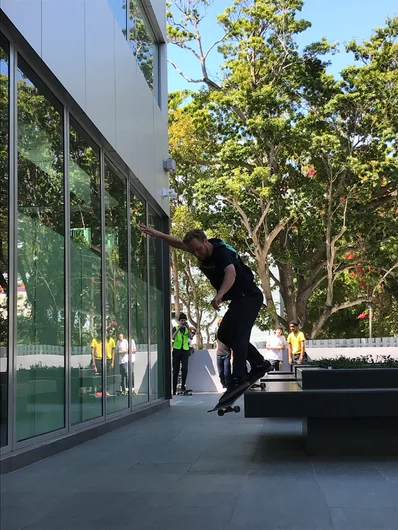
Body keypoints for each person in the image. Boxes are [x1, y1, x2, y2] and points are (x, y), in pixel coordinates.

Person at [139, 226, 270, 402]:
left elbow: (230, 273)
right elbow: (178, 243)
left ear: (206, 241)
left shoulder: (220, 252)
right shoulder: (198, 248)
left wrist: (220, 294)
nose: (197, 254)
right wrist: (159, 234)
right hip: (240, 299)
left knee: (239, 335)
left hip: (249, 297)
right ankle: (259, 364)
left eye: (199, 249)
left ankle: (239, 377)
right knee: (224, 334)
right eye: (193, 251)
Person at [171, 313, 193, 395]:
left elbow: (191, 337)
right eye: (182, 321)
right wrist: (178, 329)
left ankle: (183, 386)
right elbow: (173, 337)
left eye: (184, 321)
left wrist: (188, 329)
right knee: (175, 370)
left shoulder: (187, 329)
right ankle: (174, 388)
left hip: (185, 351)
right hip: (177, 350)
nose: (183, 322)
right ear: (179, 321)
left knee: (184, 369)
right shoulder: (175, 328)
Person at [91, 332, 115, 396]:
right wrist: (93, 363)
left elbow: (113, 352)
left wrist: (112, 362)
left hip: (108, 359)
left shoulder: (111, 340)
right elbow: (92, 352)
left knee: (107, 375)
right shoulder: (95, 340)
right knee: (99, 375)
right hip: (98, 359)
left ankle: (106, 390)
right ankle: (99, 390)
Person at [215, 318, 232, 389]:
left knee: (227, 372)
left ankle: (229, 385)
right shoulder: (217, 333)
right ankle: (224, 385)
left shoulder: (228, 332)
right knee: (220, 373)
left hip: (226, 354)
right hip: (219, 354)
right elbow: (216, 340)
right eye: (219, 324)